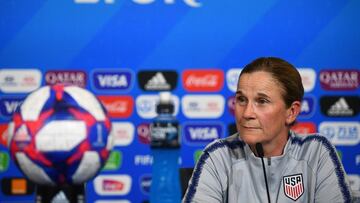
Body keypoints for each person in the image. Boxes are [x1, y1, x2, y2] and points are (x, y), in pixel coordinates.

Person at [182, 57, 353, 203]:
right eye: (241, 99)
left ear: (291, 112)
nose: (247, 113)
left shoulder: (316, 153)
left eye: (262, 101)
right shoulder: (218, 156)